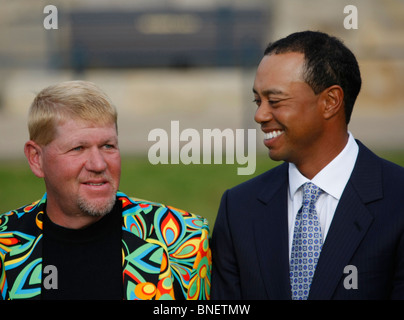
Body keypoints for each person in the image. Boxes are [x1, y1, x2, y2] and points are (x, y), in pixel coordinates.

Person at [211, 31, 404, 300]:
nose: (260, 115)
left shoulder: (397, 199)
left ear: (330, 102)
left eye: (275, 101)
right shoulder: (239, 209)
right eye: (258, 101)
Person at [0, 80, 211, 300]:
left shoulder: (183, 239)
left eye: (108, 146)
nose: (98, 164)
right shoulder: (5, 243)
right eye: (78, 148)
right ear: (36, 158)